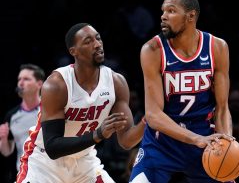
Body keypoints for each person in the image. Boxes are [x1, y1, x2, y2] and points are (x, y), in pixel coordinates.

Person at [16, 23, 146, 183]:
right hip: (45, 164)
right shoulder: (57, 84)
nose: (97, 44)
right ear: (73, 51)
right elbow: (53, 147)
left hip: (85, 161)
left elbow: (126, 141)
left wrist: (148, 121)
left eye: (98, 38)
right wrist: (98, 134)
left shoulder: (116, 82)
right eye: (88, 41)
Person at [129, 0, 236, 183]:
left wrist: (225, 143)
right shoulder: (152, 50)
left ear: (191, 16)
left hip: (205, 143)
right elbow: (153, 115)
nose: (163, 16)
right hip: (162, 144)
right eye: (163, 11)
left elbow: (222, 107)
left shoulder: (217, 47)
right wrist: (195, 138)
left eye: (171, 11)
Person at [0, 64, 45, 179]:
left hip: (50, 173)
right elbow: (6, 151)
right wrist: (3, 139)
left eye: (26, 79)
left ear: (39, 84)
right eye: (19, 79)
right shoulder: (11, 116)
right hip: (25, 175)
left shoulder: (51, 110)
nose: (21, 82)